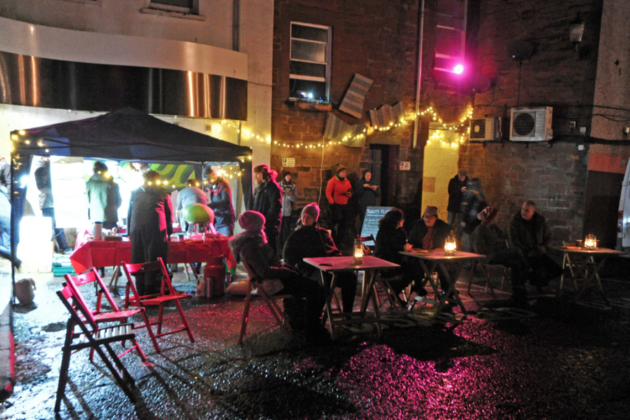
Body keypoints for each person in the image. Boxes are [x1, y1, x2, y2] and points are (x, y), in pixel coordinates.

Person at [229, 210, 325, 334]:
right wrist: (287, 271)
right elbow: (265, 271)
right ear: (255, 225)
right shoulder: (250, 246)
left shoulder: (252, 240)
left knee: (305, 281)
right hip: (269, 284)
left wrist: (288, 270)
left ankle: (297, 319)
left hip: (272, 279)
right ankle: (312, 326)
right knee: (315, 287)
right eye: (261, 224)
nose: (263, 227)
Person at [283, 203, 358, 313]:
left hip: (330, 268)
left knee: (350, 278)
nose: (305, 218)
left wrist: (340, 261)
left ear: (314, 219)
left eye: (309, 216)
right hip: (310, 270)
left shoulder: (322, 233)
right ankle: (316, 315)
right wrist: (300, 266)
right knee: (324, 280)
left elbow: (333, 251)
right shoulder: (296, 235)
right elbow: (288, 257)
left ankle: (348, 314)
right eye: (304, 216)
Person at [472, 206, 533, 304]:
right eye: (496, 216)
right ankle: (528, 271)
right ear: (491, 217)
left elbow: (504, 238)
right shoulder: (480, 230)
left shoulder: (493, 228)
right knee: (517, 251)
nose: (499, 217)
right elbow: (480, 249)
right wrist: (496, 248)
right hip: (489, 257)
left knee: (516, 263)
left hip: (498, 255)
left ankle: (518, 291)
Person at [127, 170, 173, 296]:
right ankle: (152, 289)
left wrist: (128, 232)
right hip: (157, 229)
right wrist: (170, 232)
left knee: (139, 256)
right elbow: (169, 214)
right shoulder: (163, 193)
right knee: (154, 258)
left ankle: (140, 290)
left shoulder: (135, 193)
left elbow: (129, 214)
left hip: (136, 230)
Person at [374, 208, 427, 303]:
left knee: (416, 265)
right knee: (412, 269)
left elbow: (402, 242)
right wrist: (402, 248)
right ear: (397, 221)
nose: (404, 220)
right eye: (402, 219)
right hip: (386, 263)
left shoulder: (399, 230)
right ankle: (396, 292)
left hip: (397, 260)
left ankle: (414, 286)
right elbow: (389, 247)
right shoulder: (385, 231)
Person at [508, 200, 563, 289]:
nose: (523, 212)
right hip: (524, 252)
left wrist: (544, 247)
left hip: (538, 251)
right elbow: (514, 241)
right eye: (523, 209)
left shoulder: (540, 222)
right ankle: (537, 286)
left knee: (556, 269)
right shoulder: (516, 222)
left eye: (527, 210)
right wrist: (528, 250)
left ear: (533, 212)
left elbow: (548, 236)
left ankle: (538, 284)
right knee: (536, 265)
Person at [408, 206, 454, 293]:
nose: (427, 219)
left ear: (436, 217)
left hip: (436, 259)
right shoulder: (417, 226)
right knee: (415, 264)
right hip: (420, 259)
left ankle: (447, 291)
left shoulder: (443, 228)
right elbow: (411, 242)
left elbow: (445, 244)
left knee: (449, 266)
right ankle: (418, 285)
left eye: (430, 216)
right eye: (425, 216)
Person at [34, 157, 72, 255]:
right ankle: (51, 248)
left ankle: (62, 247)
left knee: (57, 225)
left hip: (53, 201)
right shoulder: (41, 167)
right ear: (45, 157)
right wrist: (57, 192)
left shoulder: (47, 166)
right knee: (50, 227)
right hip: (48, 202)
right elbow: (41, 187)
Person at [252, 164, 282, 256]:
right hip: (260, 225)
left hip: (269, 226)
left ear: (263, 174)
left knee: (270, 251)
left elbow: (275, 207)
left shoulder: (273, 187)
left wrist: (264, 220)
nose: (255, 176)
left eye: (257, 173)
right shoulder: (259, 188)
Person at [86, 161, 122, 230]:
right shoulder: (113, 184)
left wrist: (93, 208)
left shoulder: (90, 184)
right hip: (111, 217)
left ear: (94, 171)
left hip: (96, 218)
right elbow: (119, 201)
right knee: (111, 239)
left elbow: (86, 202)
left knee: (97, 239)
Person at [203, 166, 236, 236]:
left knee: (225, 244)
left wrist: (210, 206)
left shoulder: (224, 184)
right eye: (206, 180)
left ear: (214, 176)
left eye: (209, 180)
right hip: (217, 221)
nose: (208, 182)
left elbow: (226, 201)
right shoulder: (212, 185)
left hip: (225, 221)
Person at [325, 165, 353, 245]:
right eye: (343, 172)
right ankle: (333, 240)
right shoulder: (332, 181)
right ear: (338, 173)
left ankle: (340, 241)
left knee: (343, 224)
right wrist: (332, 201)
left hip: (345, 204)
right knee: (335, 222)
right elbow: (328, 192)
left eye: (345, 172)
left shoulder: (347, 181)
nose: (344, 173)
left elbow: (350, 190)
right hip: (336, 204)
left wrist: (349, 194)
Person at [460, 178, 487, 252]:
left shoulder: (477, 196)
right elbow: (465, 208)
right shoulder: (471, 195)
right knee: (469, 245)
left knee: (472, 245)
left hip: (475, 222)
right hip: (471, 222)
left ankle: (472, 261)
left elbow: (483, 208)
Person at [447, 169, 468, 240]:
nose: (463, 177)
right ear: (459, 174)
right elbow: (450, 191)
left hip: (462, 206)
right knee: (449, 222)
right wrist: (460, 190)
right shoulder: (453, 181)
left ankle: (458, 238)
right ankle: (447, 236)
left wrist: (466, 192)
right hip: (453, 205)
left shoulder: (467, 182)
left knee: (461, 224)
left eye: (464, 176)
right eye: (461, 175)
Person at [279, 171, 298, 249]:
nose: (288, 178)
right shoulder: (279, 184)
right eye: (287, 176)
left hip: (287, 210)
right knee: (280, 228)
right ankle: (279, 245)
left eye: (290, 176)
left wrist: (289, 194)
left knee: (287, 228)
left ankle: (285, 244)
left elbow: (295, 198)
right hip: (280, 210)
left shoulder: (293, 186)